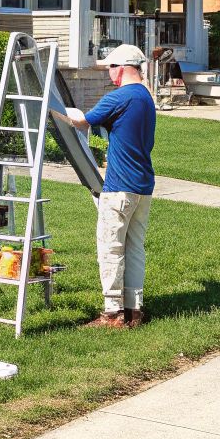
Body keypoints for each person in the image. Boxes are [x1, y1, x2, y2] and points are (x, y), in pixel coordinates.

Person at [59, 43, 157, 329]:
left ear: (125, 67)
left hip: (119, 187)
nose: (109, 74)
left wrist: (53, 105)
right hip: (143, 185)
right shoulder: (145, 97)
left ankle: (111, 314)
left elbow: (82, 121)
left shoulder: (121, 96)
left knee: (110, 247)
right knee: (135, 247)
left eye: (112, 68)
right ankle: (134, 311)